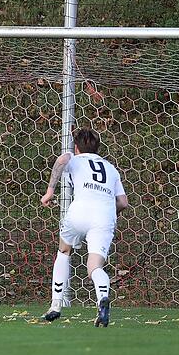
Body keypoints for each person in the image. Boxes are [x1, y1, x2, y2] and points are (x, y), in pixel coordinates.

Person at [39, 128, 128, 327]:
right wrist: (107, 214)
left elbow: (61, 160)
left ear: (76, 147)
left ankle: (55, 305)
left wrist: (50, 191)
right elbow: (123, 202)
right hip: (104, 216)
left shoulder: (75, 158)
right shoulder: (111, 168)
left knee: (64, 251)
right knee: (95, 267)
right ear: (98, 147)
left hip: (80, 211)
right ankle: (102, 300)